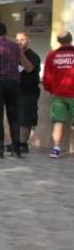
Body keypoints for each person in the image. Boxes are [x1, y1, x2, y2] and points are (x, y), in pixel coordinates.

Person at [0, 22, 34, 158]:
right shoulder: (15, 47)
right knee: (14, 117)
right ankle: (16, 148)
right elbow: (27, 66)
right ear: (6, 32)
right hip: (13, 84)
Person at [42, 31, 74, 159]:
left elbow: (47, 77)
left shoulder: (52, 55)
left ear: (58, 41)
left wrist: (50, 88)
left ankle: (55, 149)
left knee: (58, 121)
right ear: (71, 39)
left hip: (58, 94)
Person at [15, 31, 41, 155]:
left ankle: (23, 144)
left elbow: (29, 68)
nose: (19, 42)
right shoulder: (13, 55)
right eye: (17, 40)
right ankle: (17, 142)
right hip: (16, 91)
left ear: (28, 40)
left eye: (22, 40)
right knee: (17, 118)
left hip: (28, 92)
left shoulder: (33, 55)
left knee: (26, 118)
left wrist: (20, 54)